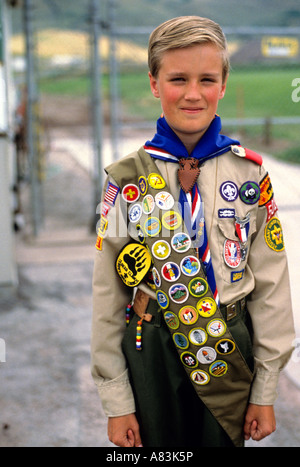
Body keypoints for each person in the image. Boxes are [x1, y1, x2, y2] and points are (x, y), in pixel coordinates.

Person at [91, 16, 295, 448]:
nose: (192, 93)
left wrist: (265, 389)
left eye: (207, 79)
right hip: (153, 347)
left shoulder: (249, 174)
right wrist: (117, 401)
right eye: (177, 78)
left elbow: (273, 284)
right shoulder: (127, 179)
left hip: (229, 343)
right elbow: (107, 293)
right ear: (153, 83)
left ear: (223, 84)